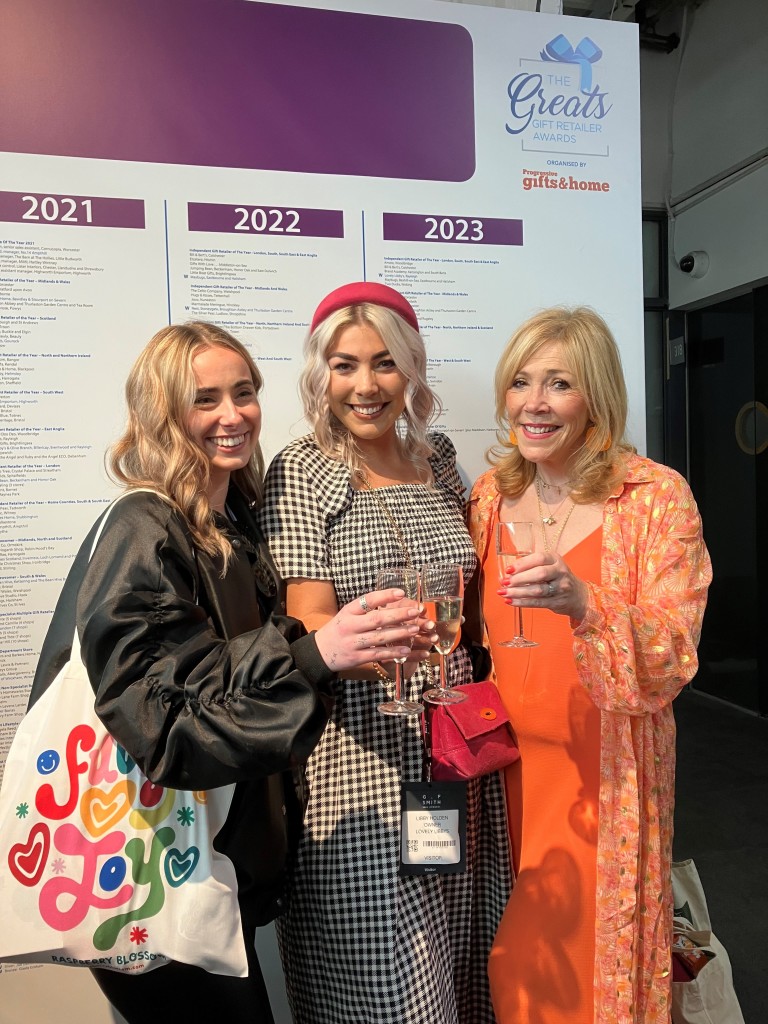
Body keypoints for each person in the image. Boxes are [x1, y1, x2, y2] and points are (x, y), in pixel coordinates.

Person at [27, 321, 423, 1024]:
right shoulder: (144, 528)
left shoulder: (232, 518)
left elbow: (231, 678)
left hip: (203, 869)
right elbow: (167, 727)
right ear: (163, 412)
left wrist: (342, 654)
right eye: (205, 399)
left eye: (244, 393)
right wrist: (314, 653)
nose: (233, 414)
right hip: (150, 873)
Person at [258, 281, 512, 1024]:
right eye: (344, 366)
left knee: (459, 952)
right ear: (320, 375)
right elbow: (308, 624)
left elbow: (474, 595)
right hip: (360, 750)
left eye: (384, 364)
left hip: (453, 747)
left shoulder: (437, 458)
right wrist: (391, 657)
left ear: (411, 371)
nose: (365, 386)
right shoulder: (302, 468)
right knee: (384, 979)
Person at [468, 306, 712, 1024]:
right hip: (503, 776)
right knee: (514, 968)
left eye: (559, 384)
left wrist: (585, 602)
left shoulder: (653, 497)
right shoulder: (488, 496)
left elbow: (674, 650)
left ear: (597, 397)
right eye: (521, 382)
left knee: (588, 975)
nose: (533, 403)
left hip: (603, 778)